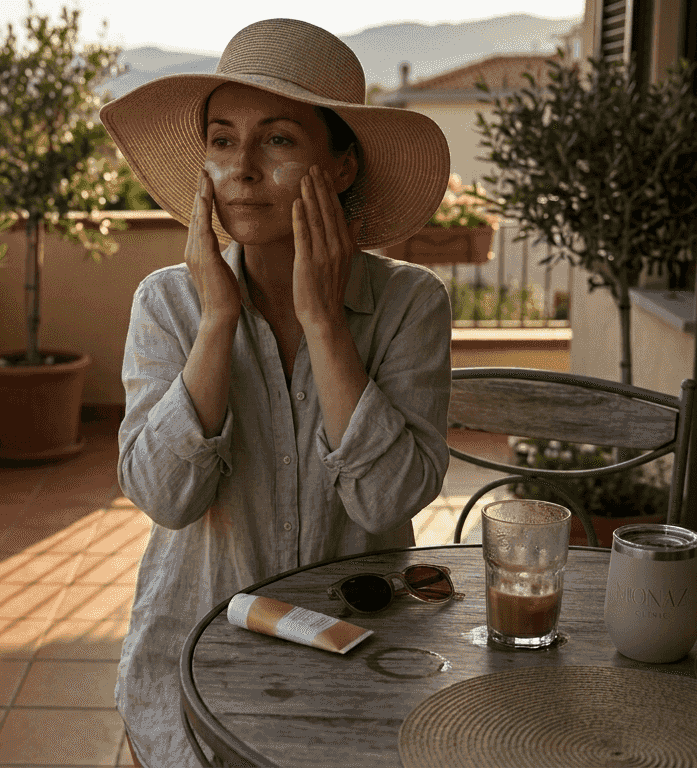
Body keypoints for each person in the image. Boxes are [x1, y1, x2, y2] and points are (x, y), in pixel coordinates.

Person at [99, 18, 453, 767]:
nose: (242, 170)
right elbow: (165, 497)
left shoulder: (408, 305)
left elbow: (386, 500)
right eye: (222, 141)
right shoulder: (168, 304)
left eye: (280, 140)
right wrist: (217, 320)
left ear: (344, 167)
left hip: (359, 662)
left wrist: (325, 322)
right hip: (192, 662)